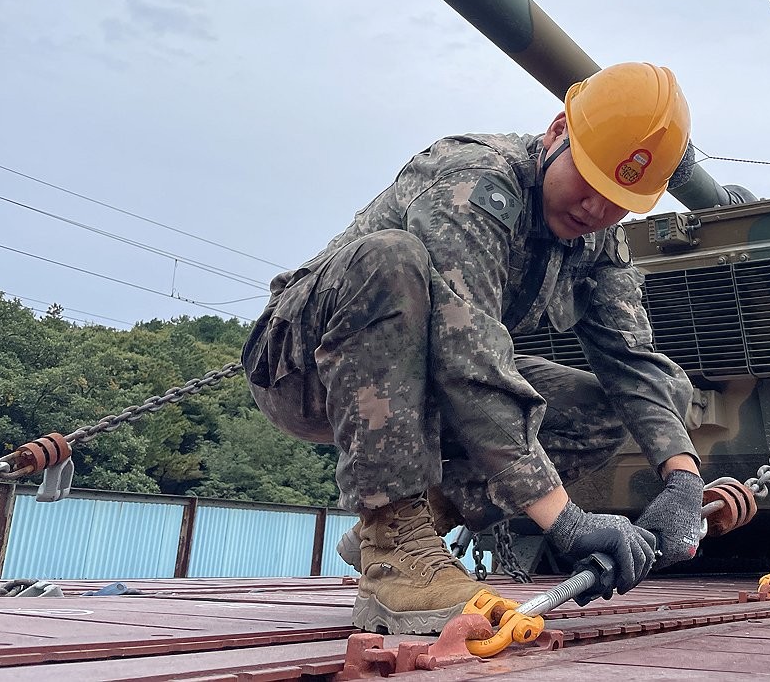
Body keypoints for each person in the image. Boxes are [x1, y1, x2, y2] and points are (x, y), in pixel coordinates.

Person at [242, 62, 705, 635]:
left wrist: (683, 479)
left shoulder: (598, 239)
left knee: (599, 407)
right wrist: (564, 519)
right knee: (390, 258)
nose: (595, 209)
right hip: (304, 368)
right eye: (587, 181)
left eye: (618, 201)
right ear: (559, 131)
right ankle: (396, 547)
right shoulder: (473, 183)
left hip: (425, 379)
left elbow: (633, 362)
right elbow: (472, 362)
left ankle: (412, 521)